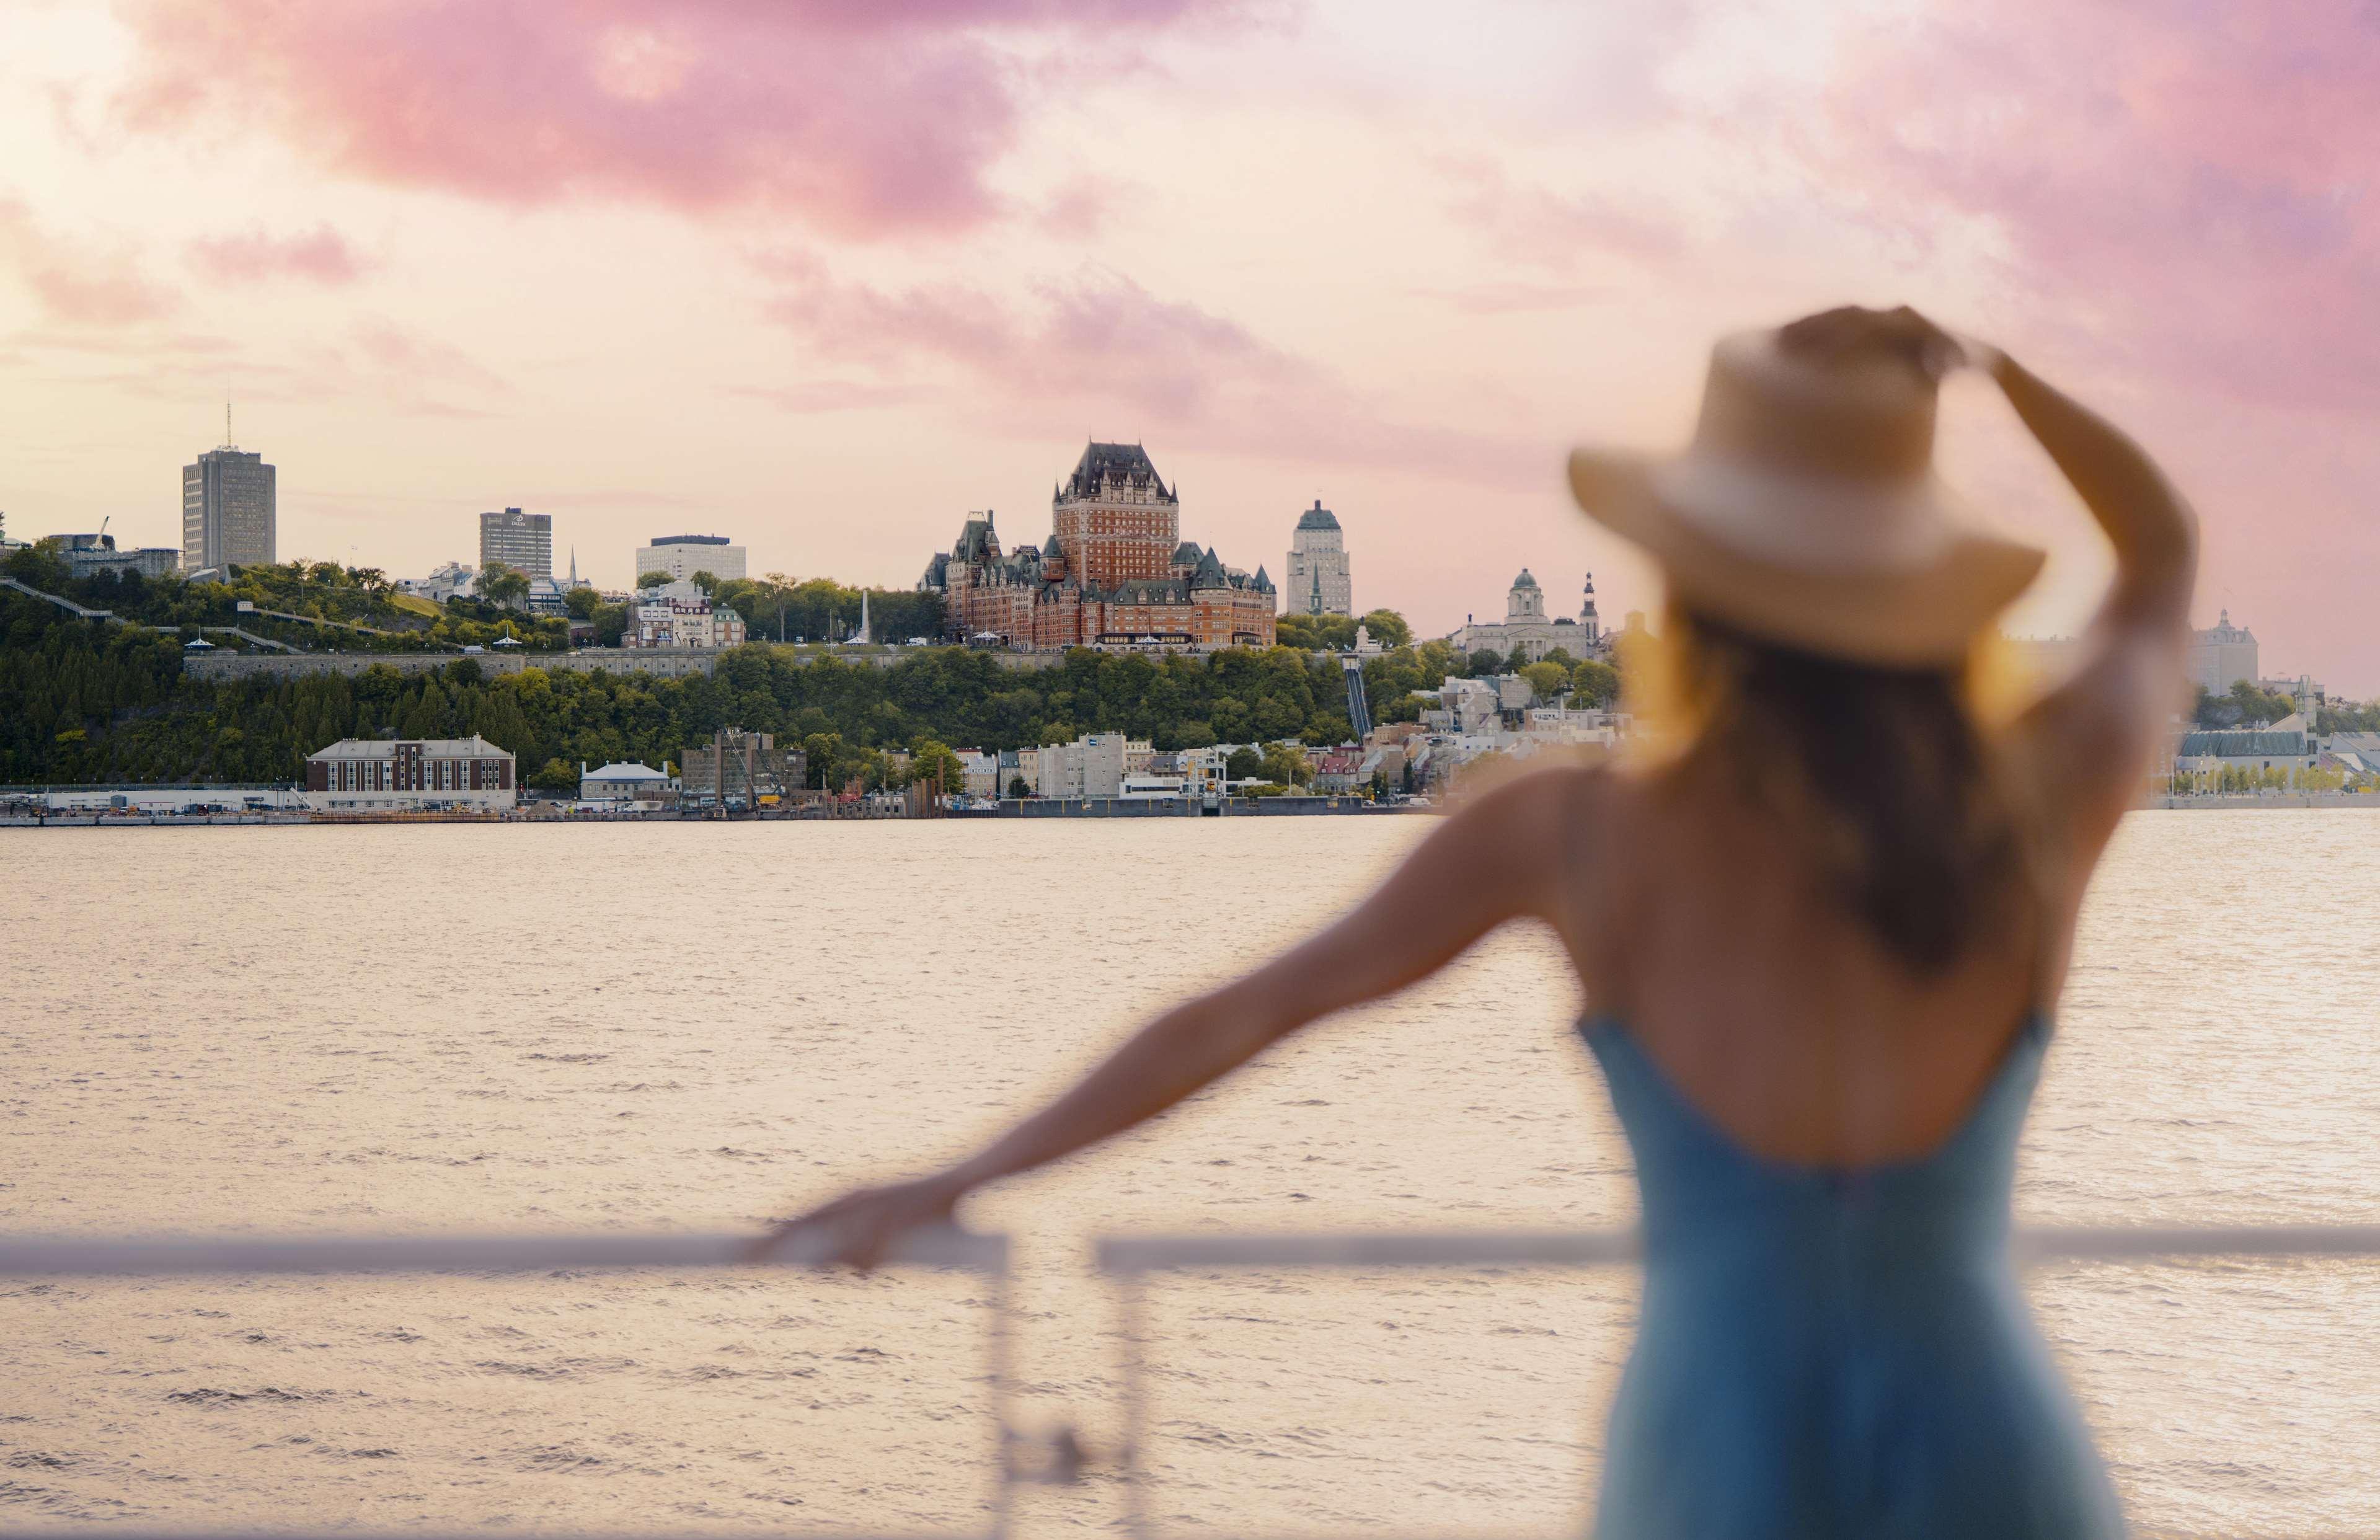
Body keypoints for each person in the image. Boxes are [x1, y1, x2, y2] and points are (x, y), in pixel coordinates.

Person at [761, 306, 2196, 1538]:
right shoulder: (2031, 806)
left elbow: (1246, 1013)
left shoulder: (1580, 832)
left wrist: (963, 1175)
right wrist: (1978, 360)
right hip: (1989, 1452)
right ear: (1920, 590)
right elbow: (2161, 552)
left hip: (1718, 1459)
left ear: (1689, 590)